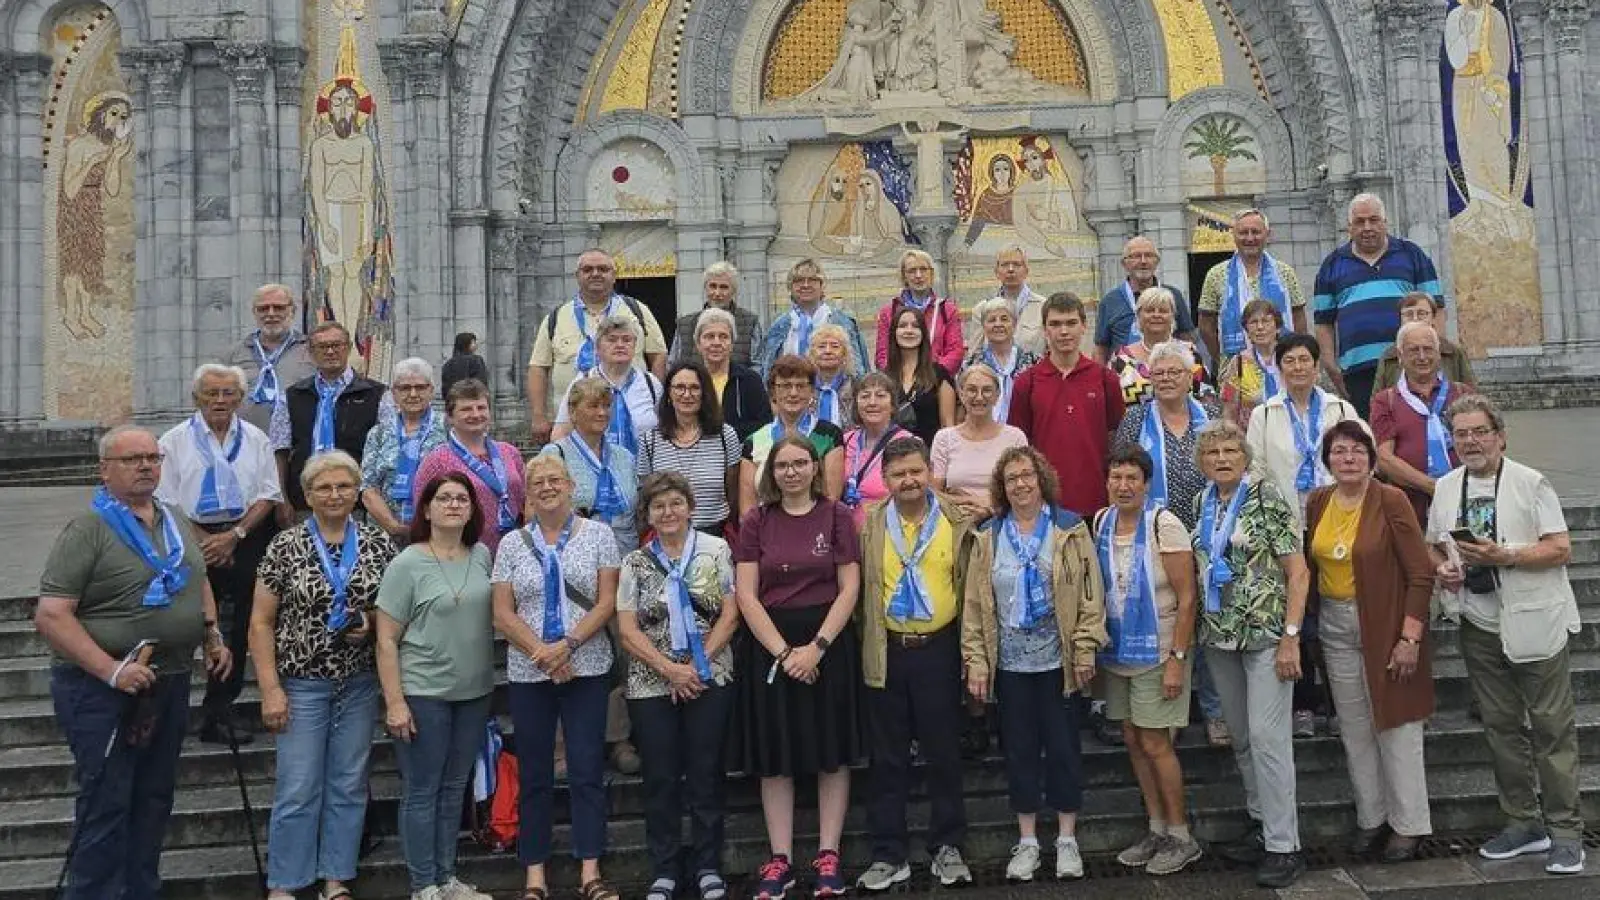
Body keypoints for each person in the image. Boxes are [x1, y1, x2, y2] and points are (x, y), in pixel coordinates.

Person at [36, 426, 232, 900]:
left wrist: (211, 634)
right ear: (104, 470)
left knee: (154, 798)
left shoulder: (175, 519)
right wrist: (111, 669)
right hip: (100, 688)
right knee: (107, 801)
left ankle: (141, 890)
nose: (146, 466)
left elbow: (196, 577)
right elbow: (51, 614)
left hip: (168, 679)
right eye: (132, 459)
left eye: (152, 457)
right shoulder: (88, 529)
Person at [1426, 396, 1585, 875]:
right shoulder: (1447, 487)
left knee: (1552, 729)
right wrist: (1445, 573)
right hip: (1479, 620)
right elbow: (1434, 547)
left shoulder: (1530, 482)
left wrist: (1506, 556)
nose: (1470, 441)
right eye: (1461, 434)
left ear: (1500, 435)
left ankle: (1566, 832)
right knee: (1500, 727)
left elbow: (1560, 549)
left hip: (1536, 620)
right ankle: (1523, 823)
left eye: (1479, 431)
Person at [251, 450, 398, 900]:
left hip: (357, 681)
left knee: (349, 783)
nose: (334, 495)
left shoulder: (378, 544)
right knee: (298, 785)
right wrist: (270, 688)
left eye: (343, 487)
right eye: (324, 488)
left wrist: (369, 625)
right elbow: (261, 622)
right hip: (301, 682)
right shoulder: (285, 545)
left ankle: (337, 876)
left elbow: (392, 614)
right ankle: (286, 882)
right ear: (308, 495)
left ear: (357, 492)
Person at [962, 446, 1106, 882]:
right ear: (1001, 488)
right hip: (1009, 665)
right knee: (1019, 750)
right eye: (1011, 479)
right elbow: (974, 604)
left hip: (1057, 663)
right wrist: (977, 661)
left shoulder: (1069, 528)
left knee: (1063, 749)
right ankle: (1026, 840)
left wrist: (1084, 648)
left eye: (1027, 475)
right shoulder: (988, 535)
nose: (1020, 484)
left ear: (1041, 479)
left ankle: (1066, 839)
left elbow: (1089, 594)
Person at [732, 436, 863, 900]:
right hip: (772, 647)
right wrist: (786, 654)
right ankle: (780, 858)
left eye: (800, 463)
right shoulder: (756, 520)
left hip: (827, 643)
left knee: (832, 751)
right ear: (771, 472)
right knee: (775, 755)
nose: (791, 472)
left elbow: (849, 586)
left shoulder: (837, 516)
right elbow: (746, 594)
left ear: (814, 467)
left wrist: (817, 648)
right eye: (782, 465)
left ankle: (828, 856)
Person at [493, 454, 625, 900]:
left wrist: (566, 646)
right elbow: (502, 611)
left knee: (587, 766)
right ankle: (535, 875)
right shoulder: (511, 544)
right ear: (527, 493)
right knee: (535, 772)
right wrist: (542, 653)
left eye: (555, 480)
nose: (547, 487)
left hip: (586, 666)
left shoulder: (600, 535)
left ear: (571, 486)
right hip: (530, 671)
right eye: (538, 482)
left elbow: (607, 603)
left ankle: (591, 869)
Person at [1303, 421, 1435, 864]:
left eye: (1358, 451)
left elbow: (1420, 572)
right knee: (1356, 727)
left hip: (1385, 623)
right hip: (1336, 626)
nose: (1349, 459)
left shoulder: (1390, 499)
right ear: (1327, 460)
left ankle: (1409, 824)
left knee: (1396, 725)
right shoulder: (1318, 501)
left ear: (1371, 458)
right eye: (1339, 452)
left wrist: (1409, 637)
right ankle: (1372, 817)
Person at [1191, 421, 1310, 888]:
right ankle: (1262, 824)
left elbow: (1297, 573)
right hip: (1220, 637)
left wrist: (1291, 636)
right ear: (1203, 461)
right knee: (1241, 737)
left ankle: (1286, 845)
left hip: (1266, 636)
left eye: (1230, 451)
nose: (1222, 459)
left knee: (1268, 738)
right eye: (1213, 452)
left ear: (1245, 457)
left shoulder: (1266, 498)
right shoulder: (1203, 502)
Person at [855, 438, 976, 891]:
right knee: (887, 758)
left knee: (944, 752)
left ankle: (948, 847)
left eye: (916, 472)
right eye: (899, 474)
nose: (908, 481)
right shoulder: (867, 524)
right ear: (884, 480)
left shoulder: (956, 519)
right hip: (887, 649)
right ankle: (889, 853)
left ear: (929, 472)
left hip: (939, 648)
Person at [616, 473, 741, 900]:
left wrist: (695, 664)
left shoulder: (716, 550)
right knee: (661, 776)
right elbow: (627, 629)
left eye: (675, 504)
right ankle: (665, 868)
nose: (668, 513)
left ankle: (708, 866)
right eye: (658, 506)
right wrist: (669, 669)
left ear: (689, 507)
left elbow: (730, 613)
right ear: (647, 514)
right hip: (652, 681)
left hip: (710, 675)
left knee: (706, 773)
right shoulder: (634, 562)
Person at [375, 473, 496, 900]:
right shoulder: (407, 562)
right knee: (422, 789)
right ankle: (423, 884)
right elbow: (386, 638)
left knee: (453, 788)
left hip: (475, 691)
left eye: (461, 498)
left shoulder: (481, 555)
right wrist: (395, 701)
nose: (453, 504)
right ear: (425, 509)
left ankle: (448, 878)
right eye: (442, 498)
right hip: (423, 691)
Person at [1092, 447, 1203, 876]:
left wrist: (1177, 658)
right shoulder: (1102, 522)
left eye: (1132, 478)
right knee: (1134, 739)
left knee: (1156, 741)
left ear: (1146, 483)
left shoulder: (1165, 525)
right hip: (1118, 651)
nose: (1123, 485)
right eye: (1116, 477)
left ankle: (1181, 834)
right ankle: (1156, 827)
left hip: (1159, 649)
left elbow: (1188, 596)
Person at [155, 364, 281, 744]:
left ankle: (219, 708)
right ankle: (164, 708)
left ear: (241, 400)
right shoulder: (173, 441)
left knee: (243, 625)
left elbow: (268, 493)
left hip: (244, 536)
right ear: (196, 398)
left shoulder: (256, 437)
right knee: (187, 623)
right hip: (190, 538)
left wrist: (234, 535)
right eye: (211, 393)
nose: (220, 401)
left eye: (229, 393)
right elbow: (165, 500)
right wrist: (203, 541)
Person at [1112, 342, 1228, 746]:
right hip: (1156, 537)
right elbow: (1123, 470)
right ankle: (1169, 714)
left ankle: (1214, 712)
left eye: (1173, 372)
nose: (1165, 379)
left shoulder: (1210, 415)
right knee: (1170, 617)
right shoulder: (1134, 420)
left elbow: (1229, 463)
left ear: (1190, 375)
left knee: (1208, 620)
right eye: (1157, 373)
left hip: (1210, 533)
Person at [1313, 194, 1444, 420]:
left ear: (1385, 222)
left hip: (1409, 365)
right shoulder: (1332, 264)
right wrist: (1331, 366)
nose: (1367, 227)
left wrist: (1435, 351)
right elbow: (1323, 322)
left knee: (1415, 431)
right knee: (1369, 438)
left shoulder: (1412, 255)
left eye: (1374, 220)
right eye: (1360, 221)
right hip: (1358, 372)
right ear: (1349, 228)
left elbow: (1437, 308)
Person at [527, 248, 669, 443]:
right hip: (571, 423)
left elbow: (658, 355)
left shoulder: (638, 311)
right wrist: (538, 416)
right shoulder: (556, 317)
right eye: (588, 269)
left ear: (614, 275)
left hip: (635, 424)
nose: (595, 274)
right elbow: (538, 367)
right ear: (577, 276)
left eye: (603, 269)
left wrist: (652, 401)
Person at [1009, 292, 1125, 517]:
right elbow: (1020, 447)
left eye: (1071, 323)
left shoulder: (1105, 379)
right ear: (1045, 330)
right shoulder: (1027, 382)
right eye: (1055, 324)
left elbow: (1116, 441)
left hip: (1097, 504)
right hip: (1044, 506)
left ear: (1084, 326)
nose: (1064, 331)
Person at [1245, 333, 1362, 527]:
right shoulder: (1263, 415)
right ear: (1280, 369)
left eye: (1304, 360)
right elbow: (1255, 470)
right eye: (1289, 361)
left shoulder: (1341, 410)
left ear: (1316, 367)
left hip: (1338, 516)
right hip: (1284, 521)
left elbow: (1362, 460)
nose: (1297, 367)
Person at [270, 321, 387, 516]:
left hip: (357, 504)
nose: (330, 352)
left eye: (336, 345)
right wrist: (282, 499)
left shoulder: (377, 394)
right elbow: (279, 452)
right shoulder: (291, 396)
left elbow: (386, 453)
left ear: (349, 347)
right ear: (309, 352)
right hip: (304, 503)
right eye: (322, 347)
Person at [1371, 322, 1475, 528]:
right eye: (1413, 350)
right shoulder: (1385, 400)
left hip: (1466, 498)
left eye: (1428, 349)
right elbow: (1384, 458)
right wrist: (1433, 486)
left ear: (1438, 354)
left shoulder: (1463, 394)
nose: (1422, 357)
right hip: (1409, 505)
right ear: (1400, 357)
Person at [413, 379, 526, 555]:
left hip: (514, 550)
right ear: (450, 417)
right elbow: (421, 511)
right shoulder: (436, 461)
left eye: (481, 408)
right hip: (463, 552)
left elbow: (526, 500)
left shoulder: (510, 452)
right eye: (466, 409)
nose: (475, 414)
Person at [637, 362, 742, 537]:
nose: (687, 394)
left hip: (714, 535)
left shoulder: (725, 435)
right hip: (666, 537)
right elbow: (644, 496)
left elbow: (732, 493)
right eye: (680, 387)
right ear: (669, 393)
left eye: (695, 388)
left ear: (704, 393)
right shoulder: (650, 440)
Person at [1198, 209, 1308, 365]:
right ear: (1233, 235)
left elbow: (1298, 318)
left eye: (1255, 232)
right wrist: (1221, 358)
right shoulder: (1216, 275)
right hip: (1235, 367)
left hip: (1283, 364)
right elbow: (1205, 325)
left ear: (1267, 234)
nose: (1250, 238)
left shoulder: (1285, 273)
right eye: (1243, 232)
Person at [739, 355, 846, 515]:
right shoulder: (753, 441)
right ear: (773, 392)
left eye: (801, 385)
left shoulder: (829, 436)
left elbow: (831, 499)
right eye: (785, 386)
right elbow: (747, 511)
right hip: (766, 532)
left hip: (816, 529)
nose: (793, 393)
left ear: (812, 391)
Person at [544, 376, 641, 551]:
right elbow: (539, 515)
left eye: (606, 406)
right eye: (593, 406)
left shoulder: (625, 457)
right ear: (573, 411)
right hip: (578, 558)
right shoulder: (555, 455)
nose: (602, 413)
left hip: (626, 558)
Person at [361, 358, 448, 539]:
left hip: (436, 534)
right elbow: (368, 489)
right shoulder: (378, 433)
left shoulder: (448, 427)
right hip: (384, 535)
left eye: (420, 387)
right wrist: (394, 527)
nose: (413, 394)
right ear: (394, 393)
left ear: (431, 390)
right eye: (405, 388)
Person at [554, 315, 664, 456]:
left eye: (626, 340)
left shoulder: (651, 383)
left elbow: (666, 429)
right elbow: (561, 431)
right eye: (611, 339)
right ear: (598, 348)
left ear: (635, 346)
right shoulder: (583, 381)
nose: (620, 345)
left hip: (644, 470)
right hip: (594, 469)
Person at [932, 364, 1028, 521]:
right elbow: (933, 492)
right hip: (956, 521)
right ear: (961, 394)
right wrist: (968, 501)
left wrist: (990, 507)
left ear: (997, 396)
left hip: (1003, 522)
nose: (979, 397)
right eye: (971, 390)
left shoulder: (1015, 438)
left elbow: (1023, 487)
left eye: (987, 390)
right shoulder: (944, 438)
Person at [220, 283, 314, 433]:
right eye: (263, 308)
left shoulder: (311, 350)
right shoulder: (233, 354)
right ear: (254, 313)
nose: (270, 314)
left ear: (293, 311)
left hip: (297, 440)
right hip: (245, 441)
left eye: (278, 307)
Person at [757, 258, 870, 376]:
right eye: (799, 281)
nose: (805, 285)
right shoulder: (779, 326)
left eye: (812, 280)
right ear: (790, 288)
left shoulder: (843, 323)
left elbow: (859, 370)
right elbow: (767, 371)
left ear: (822, 286)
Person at [1094, 236, 1199, 364]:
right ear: (1124, 263)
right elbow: (1101, 347)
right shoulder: (1110, 301)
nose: (1143, 261)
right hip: (1125, 374)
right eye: (1136, 256)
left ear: (1157, 261)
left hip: (1169, 373)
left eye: (1149, 255)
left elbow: (1187, 336)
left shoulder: (1173, 295)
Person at [1109, 287, 1212, 407]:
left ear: (1172, 316)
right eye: (1150, 310)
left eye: (1163, 311)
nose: (1156, 315)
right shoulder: (1121, 358)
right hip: (1134, 425)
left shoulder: (1190, 353)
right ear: (1138, 316)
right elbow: (1111, 403)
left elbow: (1207, 399)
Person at [1370, 292, 1478, 400]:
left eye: (1421, 313)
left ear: (1433, 318)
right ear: (1400, 320)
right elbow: (1377, 399)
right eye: (1409, 314)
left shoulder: (1453, 352)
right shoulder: (1389, 356)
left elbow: (1472, 396)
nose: (1415, 318)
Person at [839, 372, 911, 531]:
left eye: (880, 396)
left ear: (892, 404)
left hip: (887, 534)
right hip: (847, 536)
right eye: (864, 396)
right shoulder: (844, 441)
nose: (872, 402)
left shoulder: (908, 443)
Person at [873, 249, 965, 372]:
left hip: (937, 381)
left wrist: (935, 375)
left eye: (923, 269)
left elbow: (955, 351)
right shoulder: (889, 312)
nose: (918, 275)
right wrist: (901, 377)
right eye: (912, 271)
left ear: (931, 273)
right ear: (904, 276)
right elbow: (882, 355)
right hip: (899, 383)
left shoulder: (947, 310)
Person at [1218, 299, 1299, 430]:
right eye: (1253, 322)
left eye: (1266, 321)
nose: (1260, 327)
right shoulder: (1238, 363)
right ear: (1247, 330)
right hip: (1252, 436)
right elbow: (1228, 411)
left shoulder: (1291, 359)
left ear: (1278, 327)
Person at [693, 307, 771, 441]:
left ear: (732, 344)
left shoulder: (749, 380)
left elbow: (764, 425)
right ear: (698, 344)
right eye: (709, 336)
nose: (716, 343)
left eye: (723, 336)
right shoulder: (689, 380)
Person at [885, 306, 957, 448]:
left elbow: (947, 426)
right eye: (903, 326)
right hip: (893, 458)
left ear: (923, 333)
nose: (909, 330)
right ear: (894, 332)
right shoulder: (884, 377)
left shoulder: (939, 374)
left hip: (930, 457)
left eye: (915, 326)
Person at [960, 296, 1039, 424]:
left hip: (1024, 433)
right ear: (983, 326)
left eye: (1004, 319)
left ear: (1014, 324)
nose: (998, 324)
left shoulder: (1033, 363)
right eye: (991, 320)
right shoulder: (970, 365)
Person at [670, 261, 761, 369]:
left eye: (724, 287)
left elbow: (758, 366)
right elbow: (673, 365)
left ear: (734, 291)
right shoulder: (685, 324)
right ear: (705, 288)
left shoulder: (750, 322)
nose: (717, 293)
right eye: (713, 286)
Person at [990, 246, 1045, 356]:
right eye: (1005, 265)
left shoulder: (1044, 307)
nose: (1010, 269)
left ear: (1026, 271)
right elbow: (975, 356)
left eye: (1016, 264)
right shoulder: (984, 309)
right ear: (996, 272)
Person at [809, 324, 857, 430]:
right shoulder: (805, 387)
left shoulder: (856, 387)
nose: (828, 351)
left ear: (844, 354)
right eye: (821, 346)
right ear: (812, 354)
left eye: (835, 346)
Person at [441, 332, 491, 400]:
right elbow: (481, 385)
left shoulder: (447, 364)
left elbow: (445, 390)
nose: (476, 345)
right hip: (473, 401)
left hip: (455, 404)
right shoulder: (476, 360)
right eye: (473, 342)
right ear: (466, 344)